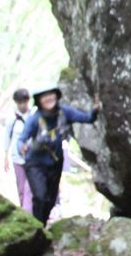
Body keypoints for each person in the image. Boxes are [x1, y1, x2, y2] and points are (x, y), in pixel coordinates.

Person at [17, 85, 101, 224]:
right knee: (40, 196)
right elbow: (21, 139)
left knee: (51, 199)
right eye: (44, 96)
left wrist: (95, 110)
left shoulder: (65, 112)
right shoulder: (35, 118)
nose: (49, 98)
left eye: (51, 95)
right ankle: (37, 227)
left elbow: (87, 118)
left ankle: (42, 225)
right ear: (39, 101)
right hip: (35, 163)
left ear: (57, 96)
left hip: (55, 162)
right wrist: (22, 147)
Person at [4, 88, 35, 213]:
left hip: (33, 158)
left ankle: (28, 213)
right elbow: (8, 137)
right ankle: (24, 213)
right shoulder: (12, 119)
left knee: (30, 189)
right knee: (21, 189)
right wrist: (5, 156)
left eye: (24, 101)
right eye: (20, 102)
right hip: (17, 158)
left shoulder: (34, 116)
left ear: (28, 101)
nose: (22, 105)